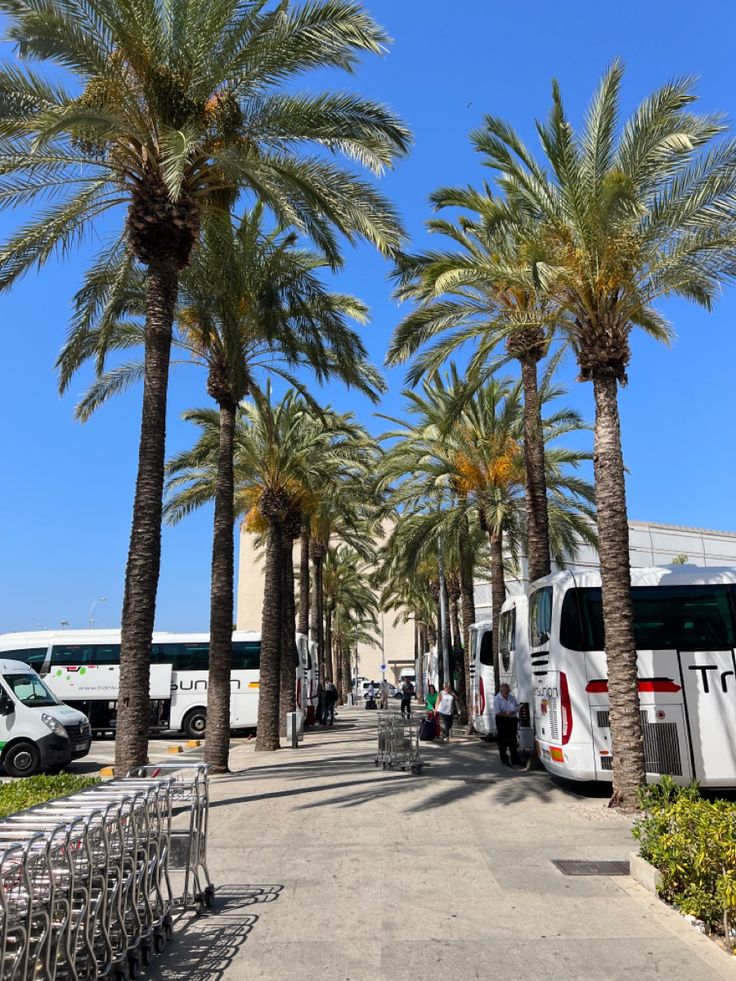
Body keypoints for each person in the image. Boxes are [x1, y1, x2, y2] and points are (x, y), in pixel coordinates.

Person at [493, 683, 523, 767]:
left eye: (508, 691)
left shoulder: (511, 697)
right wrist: (506, 713)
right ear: (501, 691)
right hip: (502, 720)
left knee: (513, 740)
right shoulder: (497, 699)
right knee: (502, 741)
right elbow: (497, 712)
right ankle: (504, 760)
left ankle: (515, 759)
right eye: (506, 692)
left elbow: (516, 705)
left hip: (512, 719)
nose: (508, 693)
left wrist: (517, 708)